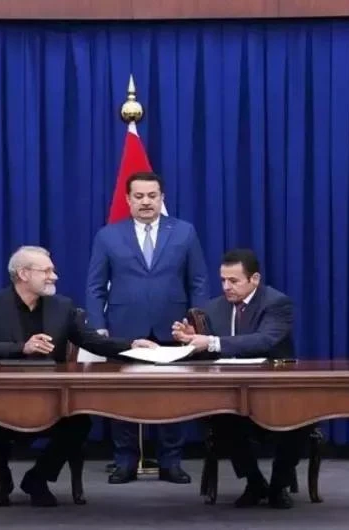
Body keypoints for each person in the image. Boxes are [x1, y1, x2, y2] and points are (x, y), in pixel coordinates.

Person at [0, 245, 157, 506]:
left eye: (53, 271)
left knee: (79, 423)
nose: (54, 276)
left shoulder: (62, 306)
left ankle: (38, 477)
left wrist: (131, 345)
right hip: (4, 394)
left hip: (50, 396)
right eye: (46, 271)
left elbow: (92, 341)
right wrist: (22, 347)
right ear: (23, 274)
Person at [86, 171, 209, 485]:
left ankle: (171, 462)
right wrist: (98, 327)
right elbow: (95, 286)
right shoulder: (108, 235)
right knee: (123, 397)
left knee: (173, 397)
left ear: (161, 198)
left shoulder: (184, 231)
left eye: (152, 196)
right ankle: (125, 462)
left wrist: (197, 324)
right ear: (128, 199)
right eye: (139, 196)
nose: (145, 202)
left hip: (174, 327)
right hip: (124, 329)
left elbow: (198, 281)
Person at [172, 248, 307, 509]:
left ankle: (279, 485)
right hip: (232, 391)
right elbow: (208, 354)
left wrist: (210, 341)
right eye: (223, 280)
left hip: (275, 389)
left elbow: (264, 340)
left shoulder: (277, 303)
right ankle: (254, 482)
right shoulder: (213, 308)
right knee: (221, 416)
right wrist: (189, 339)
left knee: (299, 421)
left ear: (254, 279)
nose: (226, 287)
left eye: (233, 281)